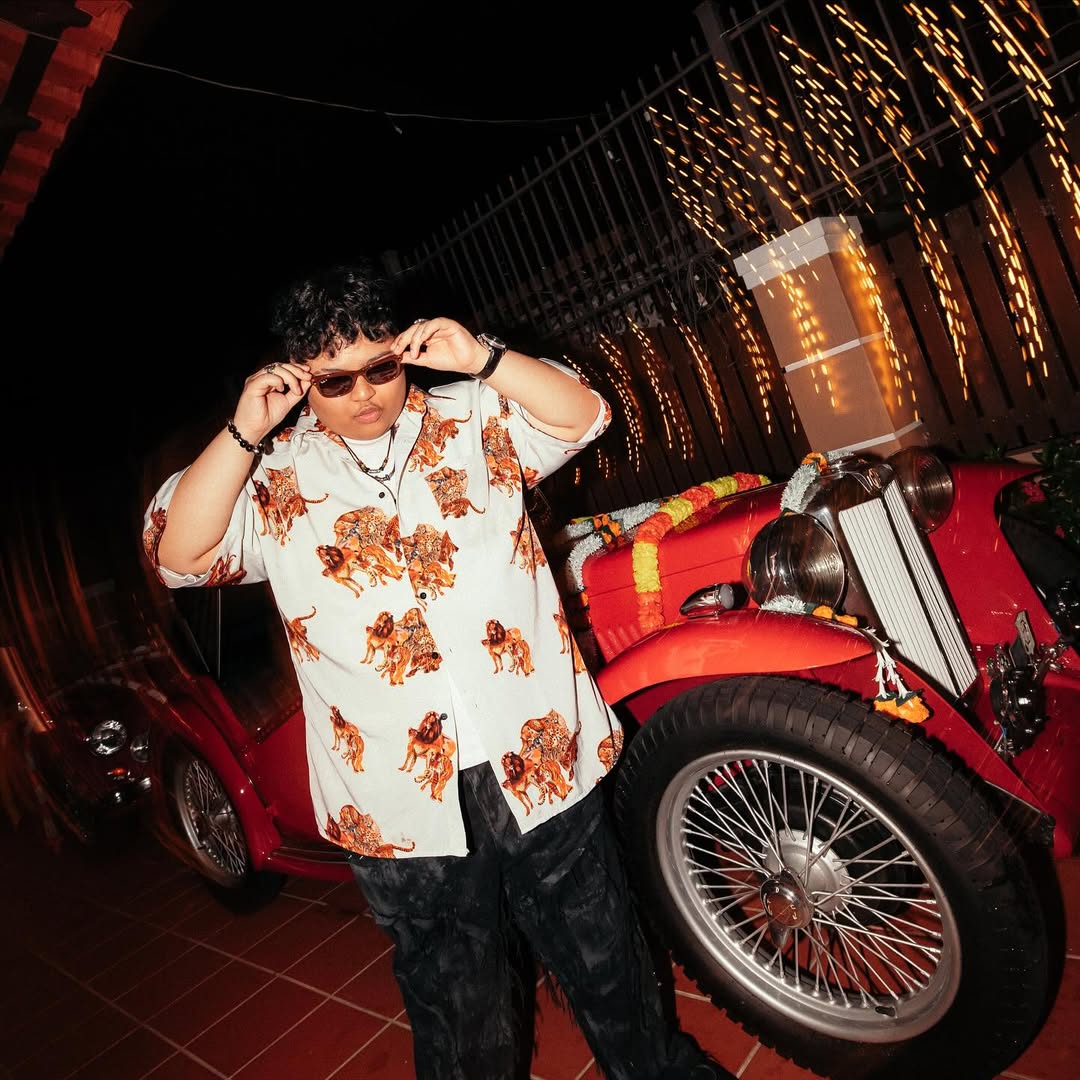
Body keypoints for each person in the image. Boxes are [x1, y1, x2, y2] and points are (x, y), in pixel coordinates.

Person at [142, 261, 726, 1079]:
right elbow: (177, 553)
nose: (364, 393)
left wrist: (483, 356)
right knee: (457, 1006)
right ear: (298, 381)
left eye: (379, 367)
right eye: (335, 380)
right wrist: (243, 432)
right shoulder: (273, 481)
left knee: (608, 958)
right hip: (397, 797)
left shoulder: (473, 417)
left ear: (402, 350)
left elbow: (585, 415)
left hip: (537, 754)